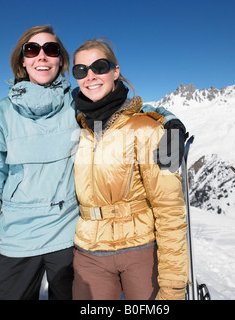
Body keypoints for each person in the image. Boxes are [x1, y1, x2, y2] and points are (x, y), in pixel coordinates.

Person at [0, 26, 187, 300]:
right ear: (22, 60)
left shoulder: (74, 105)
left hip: (67, 234)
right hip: (19, 236)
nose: (42, 57)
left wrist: (168, 120)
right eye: (32, 50)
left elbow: (125, 108)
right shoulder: (3, 112)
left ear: (61, 60)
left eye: (51, 49)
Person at [71, 39, 188, 300]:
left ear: (115, 71)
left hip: (141, 251)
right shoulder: (75, 126)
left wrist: (173, 286)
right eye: (80, 70)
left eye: (99, 67)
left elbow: (170, 211)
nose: (90, 76)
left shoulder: (146, 129)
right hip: (89, 253)